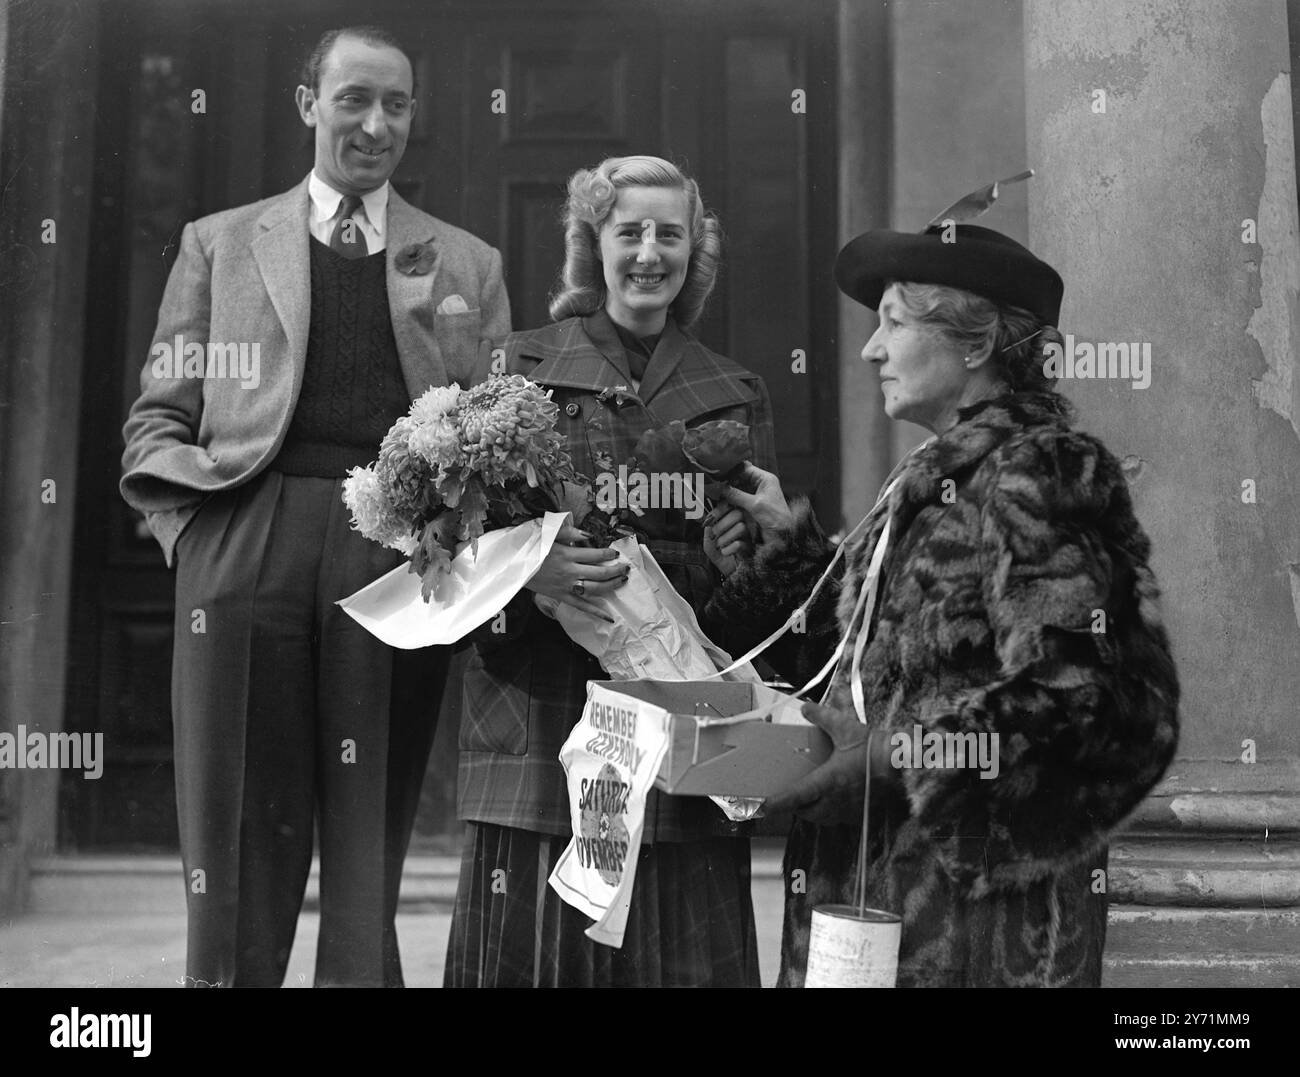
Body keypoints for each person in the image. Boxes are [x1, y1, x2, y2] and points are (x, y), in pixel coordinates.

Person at [120, 25, 510, 987]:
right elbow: (157, 419)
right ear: (310, 106)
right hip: (246, 537)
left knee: (368, 824)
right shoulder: (220, 244)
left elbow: (496, 431)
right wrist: (196, 536)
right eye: (354, 100)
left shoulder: (464, 263)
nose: (376, 125)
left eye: (397, 105)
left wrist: (450, 548)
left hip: (393, 559)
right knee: (238, 827)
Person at [704, 223, 1180, 987]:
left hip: (980, 926)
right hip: (874, 896)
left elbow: (1102, 701)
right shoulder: (934, 479)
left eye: (894, 322)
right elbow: (880, 663)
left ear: (975, 342)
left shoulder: (1037, 476)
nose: (870, 349)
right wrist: (792, 556)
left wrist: (894, 756)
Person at [445, 155, 775, 987]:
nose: (649, 253)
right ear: (594, 246)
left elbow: (750, 606)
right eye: (629, 232)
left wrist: (740, 565)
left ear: (692, 254)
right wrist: (534, 574)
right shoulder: (516, 368)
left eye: (671, 234)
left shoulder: (730, 389)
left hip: (677, 712)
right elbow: (452, 549)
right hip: (544, 718)